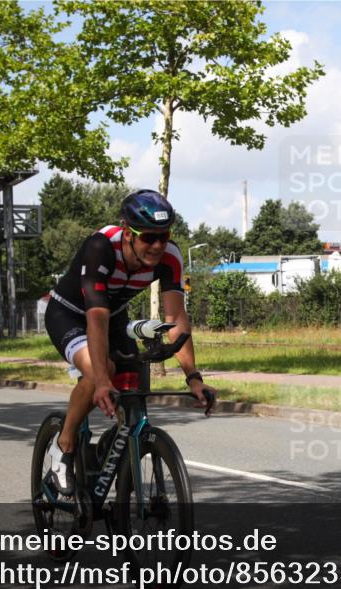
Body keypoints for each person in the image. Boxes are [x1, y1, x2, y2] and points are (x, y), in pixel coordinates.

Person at [44, 189, 215, 497]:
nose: (158, 245)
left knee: (133, 376)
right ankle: (64, 446)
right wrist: (100, 380)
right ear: (128, 232)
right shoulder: (101, 247)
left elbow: (176, 317)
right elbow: (96, 316)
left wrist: (194, 377)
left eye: (164, 237)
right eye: (149, 237)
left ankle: (114, 442)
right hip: (69, 315)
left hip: (114, 316)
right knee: (102, 370)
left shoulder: (170, 257)